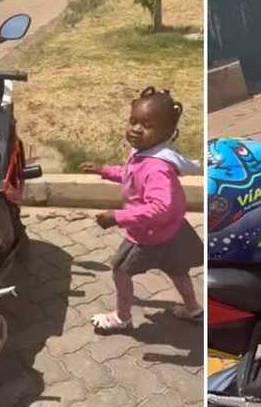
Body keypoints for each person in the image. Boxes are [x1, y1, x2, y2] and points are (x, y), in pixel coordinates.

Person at [80, 86, 203, 333]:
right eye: (133, 121)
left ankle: (121, 318)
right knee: (177, 270)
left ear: (168, 132)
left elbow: (160, 207)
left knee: (120, 270)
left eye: (146, 125)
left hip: (149, 235)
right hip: (173, 231)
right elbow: (130, 176)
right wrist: (104, 170)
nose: (136, 129)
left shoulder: (156, 167)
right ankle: (193, 309)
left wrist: (118, 217)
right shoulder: (145, 153)